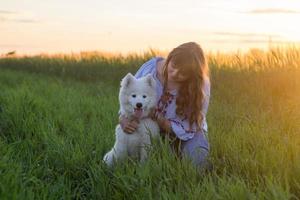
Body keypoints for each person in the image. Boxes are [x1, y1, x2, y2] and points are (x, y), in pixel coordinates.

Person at [119, 42, 211, 169]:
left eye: (183, 73)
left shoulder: (200, 84)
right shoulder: (150, 69)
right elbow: (130, 94)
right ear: (170, 57)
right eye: (173, 66)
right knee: (131, 160)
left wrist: (163, 122)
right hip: (150, 128)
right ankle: (169, 152)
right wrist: (123, 119)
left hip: (188, 132)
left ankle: (180, 153)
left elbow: (194, 123)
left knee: (196, 163)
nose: (174, 74)